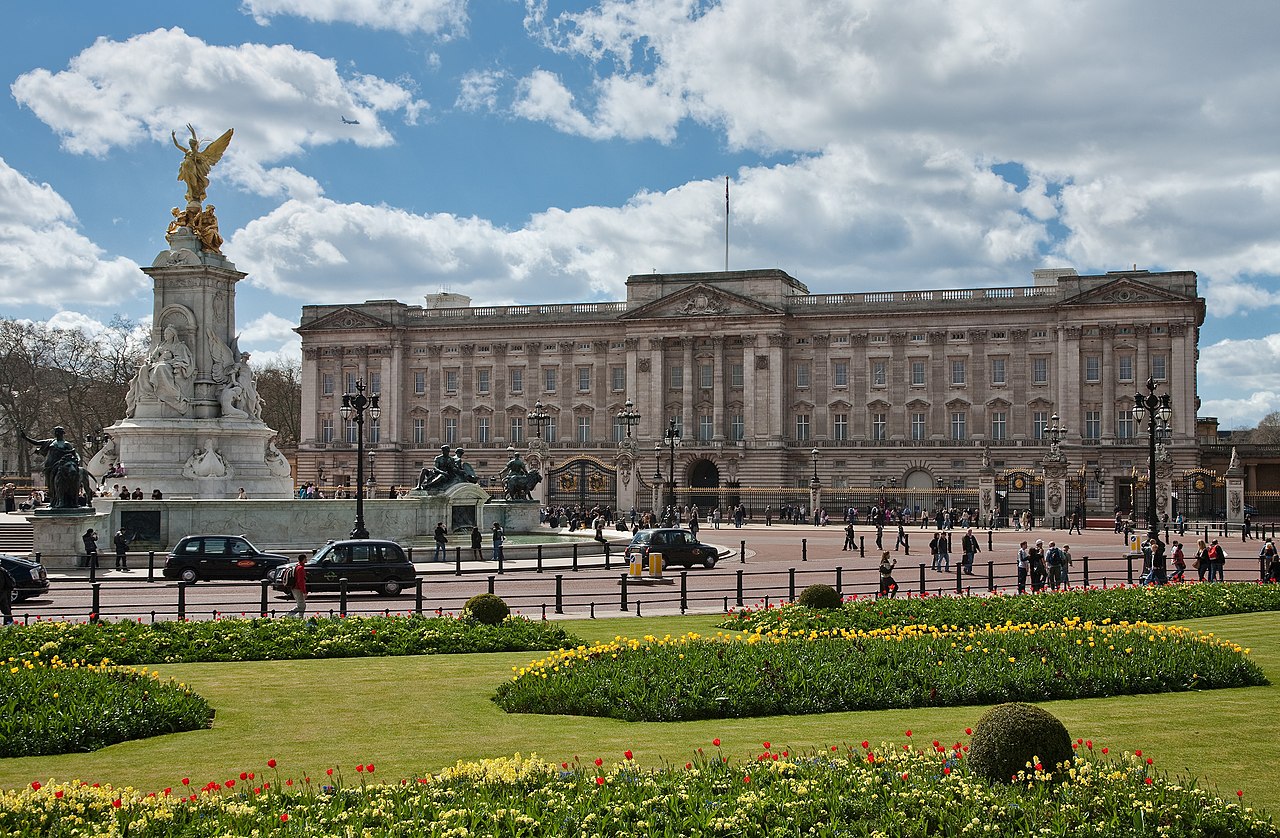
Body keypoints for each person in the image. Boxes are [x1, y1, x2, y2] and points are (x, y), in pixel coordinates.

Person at [285, 553, 307, 618]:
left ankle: (300, 618)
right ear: (303, 559)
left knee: (301, 605)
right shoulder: (300, 568)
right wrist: (304, 591)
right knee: (301, 606)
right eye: (305, 558)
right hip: (298, 589)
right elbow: (301, 581)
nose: (306, 559)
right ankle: (287, 615)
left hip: (295, 588)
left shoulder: (297, 566)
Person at [0, 560, 13, 625]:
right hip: (4, 593)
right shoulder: (3, 570)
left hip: (2, 593)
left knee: (6, 610)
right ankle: (9, 625)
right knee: (6, 611)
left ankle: (9, 625)